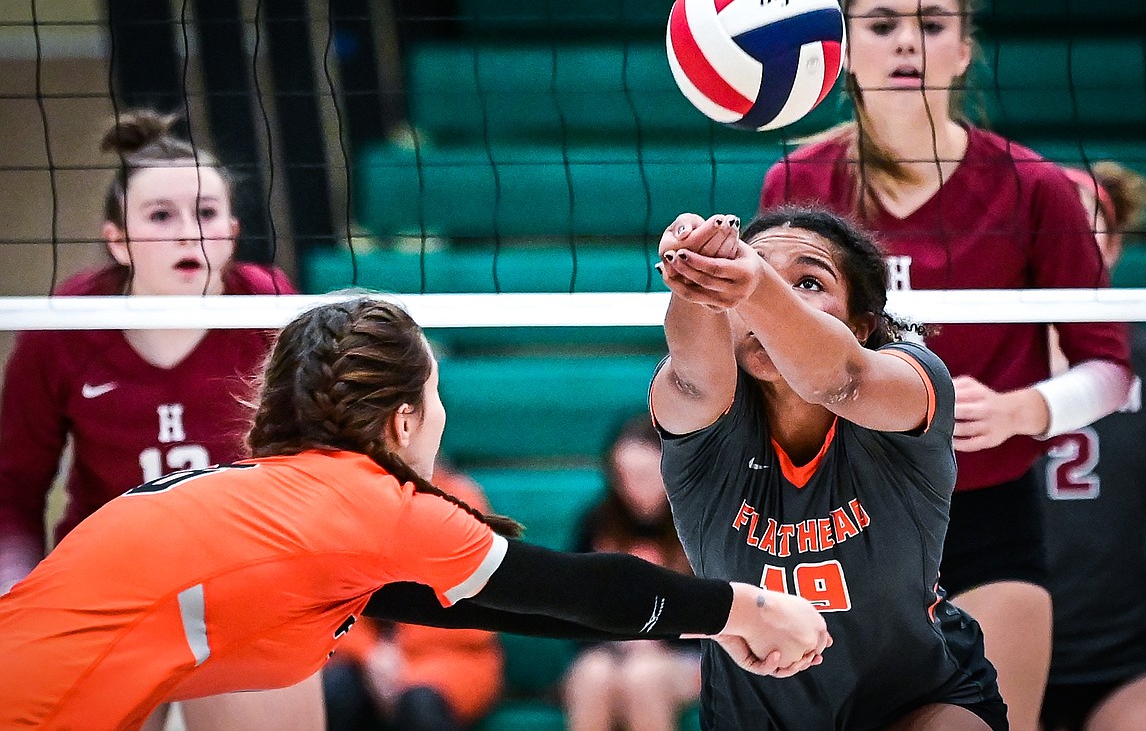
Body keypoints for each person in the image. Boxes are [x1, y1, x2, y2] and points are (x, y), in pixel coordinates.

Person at [0, 297, 833, 729]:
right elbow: (574, 589)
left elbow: (492, 603)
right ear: (404, 420)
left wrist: (716, 627)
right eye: (436, 400)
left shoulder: (285, 503)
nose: (440, 421)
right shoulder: (368, 502)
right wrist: (750, 606)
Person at [758, 0, 1132, 727]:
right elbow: (768, 358)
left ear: (964, 48)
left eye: (932, 25)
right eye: (883, 24)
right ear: (843, 49)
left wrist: (1026, 409)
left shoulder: (1036, 188)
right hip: (841, 516)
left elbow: (1110, 368)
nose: (908, 45)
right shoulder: (797, 183)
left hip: (986, 513)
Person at [0, 110, 324, 731]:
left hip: (240, 588)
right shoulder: (59, 330)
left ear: (232, 231)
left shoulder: (274, 312)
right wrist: (17, 597)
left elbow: (315, 465)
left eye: (205, 214)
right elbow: (15, 488)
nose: (188, 236)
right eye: (160, 216)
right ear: (118, 240)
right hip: (105, 593)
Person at [651, 204, 1006, 730]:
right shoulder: (695, 405)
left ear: (862, 325)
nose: (774, 292)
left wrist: (757, 284)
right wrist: (695, 276)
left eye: (809, 282)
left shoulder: (913, 379)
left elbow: (840, 378)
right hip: (754, 718)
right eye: (758, 272)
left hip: (918, 698)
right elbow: (695, 375)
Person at [1038, 162, 1146, 731]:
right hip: (990, 643)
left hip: (1122, 657)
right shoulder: (960, 361)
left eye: (1082, 228)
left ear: (1112, 248)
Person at [323, 462, 504, 731]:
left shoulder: (460, 499)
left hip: (450, 657)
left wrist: (399, 665)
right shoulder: (349, 502)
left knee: (419, 705)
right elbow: (327, 597)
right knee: (335, 690)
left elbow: (467, 621)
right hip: (365, 657)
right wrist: (370, 653)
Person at [562, 413, 701, 731]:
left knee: (644, 677)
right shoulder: (598, 523)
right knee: (591, 676)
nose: (632, 489)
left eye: (644, 476)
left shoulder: (696, 524)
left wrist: (658, 641)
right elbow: (572, 607)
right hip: (611, 651)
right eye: (624, 477)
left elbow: (721, 608)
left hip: (687, 655)